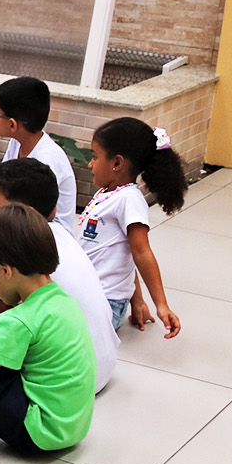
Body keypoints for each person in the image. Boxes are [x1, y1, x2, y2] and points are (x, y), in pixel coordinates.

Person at [0, 159, 117, 393]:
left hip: (58, 390)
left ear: (20, 214)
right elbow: (9, 298)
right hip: (97, 369)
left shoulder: (11, 247)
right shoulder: (54, 237)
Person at [0, 205, 96, 456]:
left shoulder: (19, 320)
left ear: (5, 270)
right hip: (70, 428)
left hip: (34, 433)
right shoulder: (63, 301)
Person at [79, 117, 186, 337]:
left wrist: (161, 305)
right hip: (90, 293)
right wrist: (138, 301)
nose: (90, 164)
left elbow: (141, 252)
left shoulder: (129, 199)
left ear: (117, 163)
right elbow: (122, 254)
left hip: (105, 303)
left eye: (95, 156)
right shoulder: (108, 192)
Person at [0, 76, 79, 230]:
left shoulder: (47, 159)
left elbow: (36, 214)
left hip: (43, 230)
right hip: (16, 214)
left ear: (12, 125)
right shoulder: (17, 142)